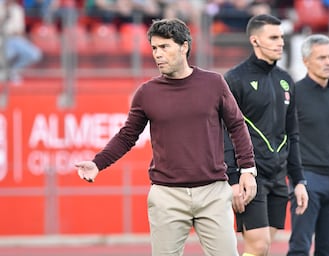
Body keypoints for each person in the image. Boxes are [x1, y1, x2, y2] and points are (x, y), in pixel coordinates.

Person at [75, 18, 257, 256]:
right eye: (154, 48)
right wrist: (98, 163)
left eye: (164, 47)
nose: (158, 54)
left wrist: (247, 170)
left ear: (184, 47)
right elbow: (127, 136)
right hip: (166, 195)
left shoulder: (214, 83)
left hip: (213, 192)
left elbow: (237, 125)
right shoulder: (146, 93)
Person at [223, 14, 308, 256]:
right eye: (273, 37)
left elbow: (292, 133)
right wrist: (233, 178)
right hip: (250, 177)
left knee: (263, 248)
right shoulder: (235, 79)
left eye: (281, 37)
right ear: (255, 41)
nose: (280, 42)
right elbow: (224, 132)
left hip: (278, 178)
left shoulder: (286, 80)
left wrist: (299, 180)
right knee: (258, 246)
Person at [287, 34, 329, 256]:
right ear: (306, 61)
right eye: (321, 57)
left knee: (327, 250)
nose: (328, 62)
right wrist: (297, 179)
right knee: (299, 248)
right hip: (308, 180)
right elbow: (286, 138)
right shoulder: (294, 93)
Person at [0, 0, 42, 85]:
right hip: (2, 38)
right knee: (8, 54)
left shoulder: (17, 9)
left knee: (35, 54)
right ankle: (3, 72)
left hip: (15, 39)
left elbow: (20, 29)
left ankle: (12, 71)